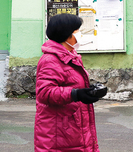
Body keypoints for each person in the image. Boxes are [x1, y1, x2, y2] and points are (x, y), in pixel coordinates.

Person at [35, 13, 102, 151]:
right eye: (77, 31)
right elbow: (44, 93)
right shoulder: (50, 60)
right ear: (66, 35)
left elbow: (70, 84)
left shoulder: (71, 56)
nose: (80, 34)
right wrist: (75, 94)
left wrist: (88, 91)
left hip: (73, 129)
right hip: (59, 133)